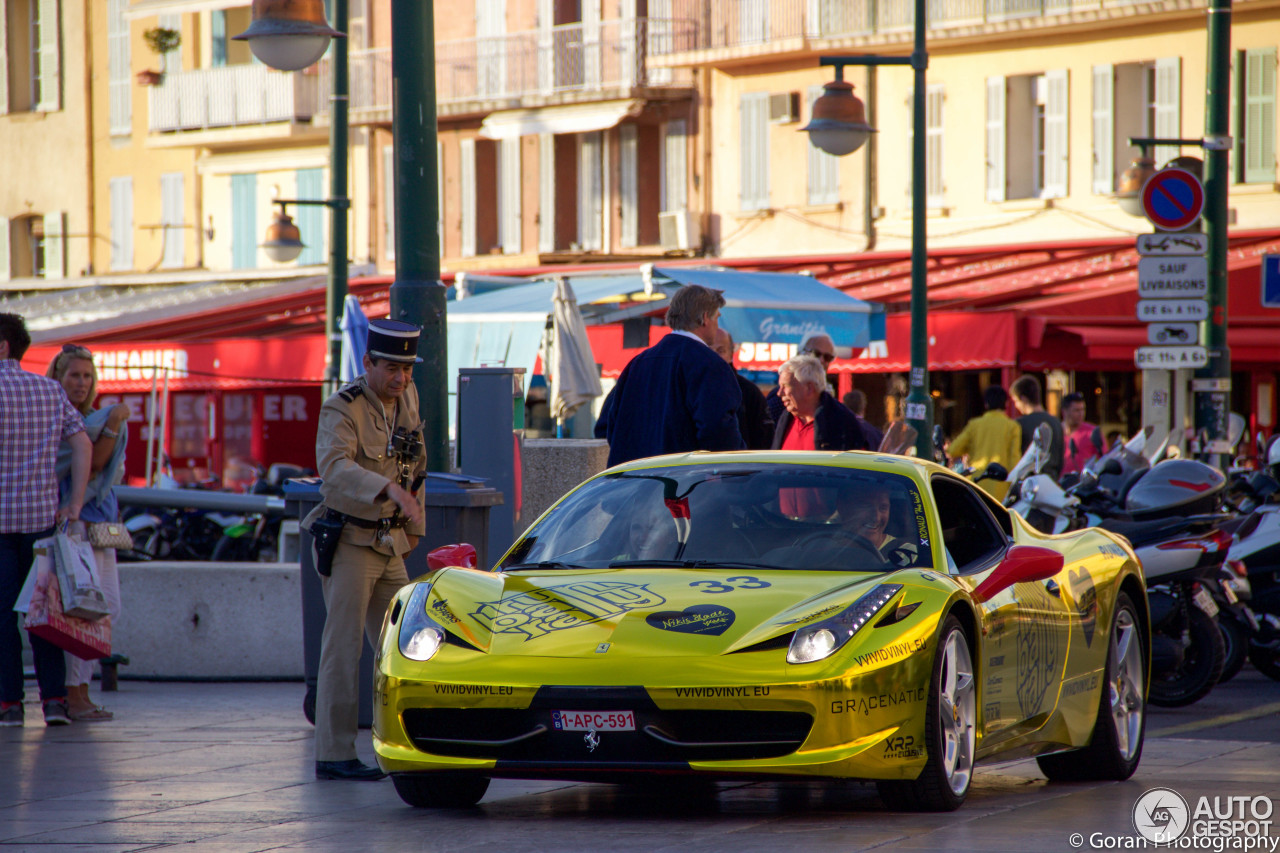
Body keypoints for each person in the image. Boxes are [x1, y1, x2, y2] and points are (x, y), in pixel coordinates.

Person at [305, 319, 427, 780]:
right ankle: (334, 754)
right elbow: (333, 468)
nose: (401, 379)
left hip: (389, 542)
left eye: (408, 369)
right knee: (343, 647)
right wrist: (386, 491)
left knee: (407, 644)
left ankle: (404, 742)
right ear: (368, 363)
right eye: (392, 368)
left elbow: (417, 464)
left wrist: (413, 530)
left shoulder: (407, 399)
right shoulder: (342, 408)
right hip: (352, 539)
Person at [0, 314, 92, 728]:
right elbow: (82, 442)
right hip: (40, 523)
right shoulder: (49, 390)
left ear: (2, 346)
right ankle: (55, 701)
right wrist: (74, 503)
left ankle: (9, 705)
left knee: (2, 618)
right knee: (43, 614)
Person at [47, 345, 130, 722]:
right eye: (74, 376)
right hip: (75, 525)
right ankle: (74, 695)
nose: (81, 383)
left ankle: (80, 691)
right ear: (58, 378)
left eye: (87, 376)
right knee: (84, 612)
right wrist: (114, 421)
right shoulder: (61, 421)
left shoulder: (88, 419)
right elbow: (93, 466)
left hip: (100, 528)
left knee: (106, 607)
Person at [594, 285, 745, 467]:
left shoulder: (637, 363)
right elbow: (718, 433)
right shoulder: (710, 364)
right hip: (681, 485)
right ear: (705, 318)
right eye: (716, 318)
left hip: (632, 482)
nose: (717, 325)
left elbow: (606, 426)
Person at [771, 354, 868, 452]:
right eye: (780, 386)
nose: (779, 393)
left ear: (809, 388)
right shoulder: (785, 419)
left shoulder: (842, 424)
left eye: (786, 386)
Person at [948, 385, 1022, 500]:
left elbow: (953, 450)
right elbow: (1014, 459)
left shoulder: (975, 425)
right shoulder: (1013, 427)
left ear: (986, 404)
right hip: (1002, 486)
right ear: (1006, 404)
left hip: (977, 482)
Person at [712, 328, 774, 450]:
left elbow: (765, 438)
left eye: (720, 350)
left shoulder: (749, 392)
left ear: (731, 354)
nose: (714, 356)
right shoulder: (689, 387)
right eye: (708, 349)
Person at [766, 332, 836, 424]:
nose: (821, 360)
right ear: (800, 353)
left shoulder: (827, 395)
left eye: (827, 357)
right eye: (816, 354)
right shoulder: (781, 396)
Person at [1009, 374, 1064, 482]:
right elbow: (1061, 460)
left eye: (1015, 401)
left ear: (1023, 399)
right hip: (1052, 482)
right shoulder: (1056, 422)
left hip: (1028, 486)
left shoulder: (1018, 425)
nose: (1016, 406)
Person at [1061, 391, 1100, 477]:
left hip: (1083, 484)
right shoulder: (1057, 432)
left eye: (1083, 409)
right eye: (1076, 410)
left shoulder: (1093, 432)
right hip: (1060, 483)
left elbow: (1103, 460)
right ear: (1065, 412)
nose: (1081, 414)